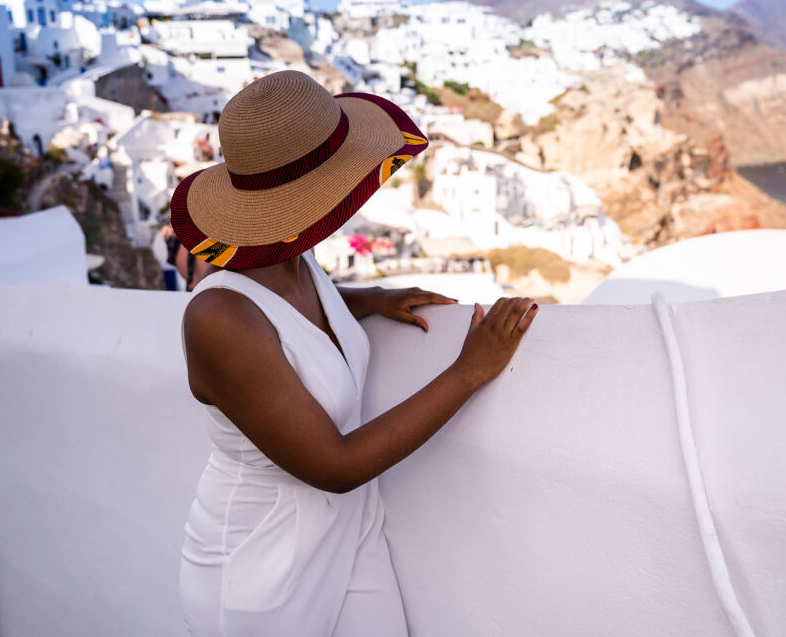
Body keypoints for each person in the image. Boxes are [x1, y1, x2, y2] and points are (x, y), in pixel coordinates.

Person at [173, 71, 537, 636]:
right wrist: (469, 371)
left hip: (350, 528)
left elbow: (290, 322)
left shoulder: (299, 264)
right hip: (259, 561)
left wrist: (369, 299)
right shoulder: (217, 318)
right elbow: (334, 466)